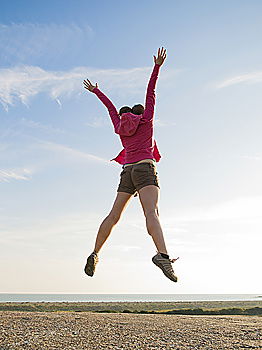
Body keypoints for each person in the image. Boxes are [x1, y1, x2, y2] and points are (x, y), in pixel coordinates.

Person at [83, 47, 179, 282]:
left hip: (127, 171)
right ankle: (162, 256)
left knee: (113, 215)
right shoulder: (146, 121)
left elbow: (110, 108)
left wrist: (97, 91)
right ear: (141, 113)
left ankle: (95, 252)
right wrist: (156, 67)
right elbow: (151, 91)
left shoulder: (119, 126)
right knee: (151, 212)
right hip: (145, 168)